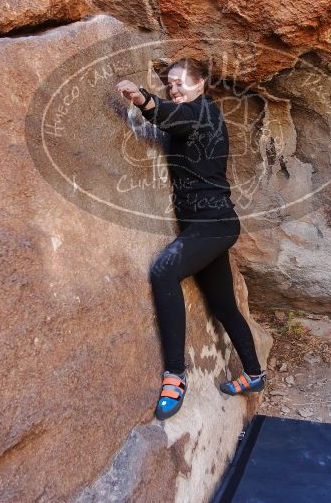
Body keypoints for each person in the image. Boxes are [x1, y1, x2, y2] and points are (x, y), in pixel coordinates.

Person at [116, 58, 265, 421]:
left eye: (181, 83)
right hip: (204, 226)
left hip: (213, 224)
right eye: (170, 84)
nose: (175, 89)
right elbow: (173, 119)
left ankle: (175, 376)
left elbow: (168, 115)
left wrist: (144, 100)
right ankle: (254, 375)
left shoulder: (203, 112)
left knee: (164, 271)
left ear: (201, 84)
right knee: (223, 305)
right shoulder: (192, 113)